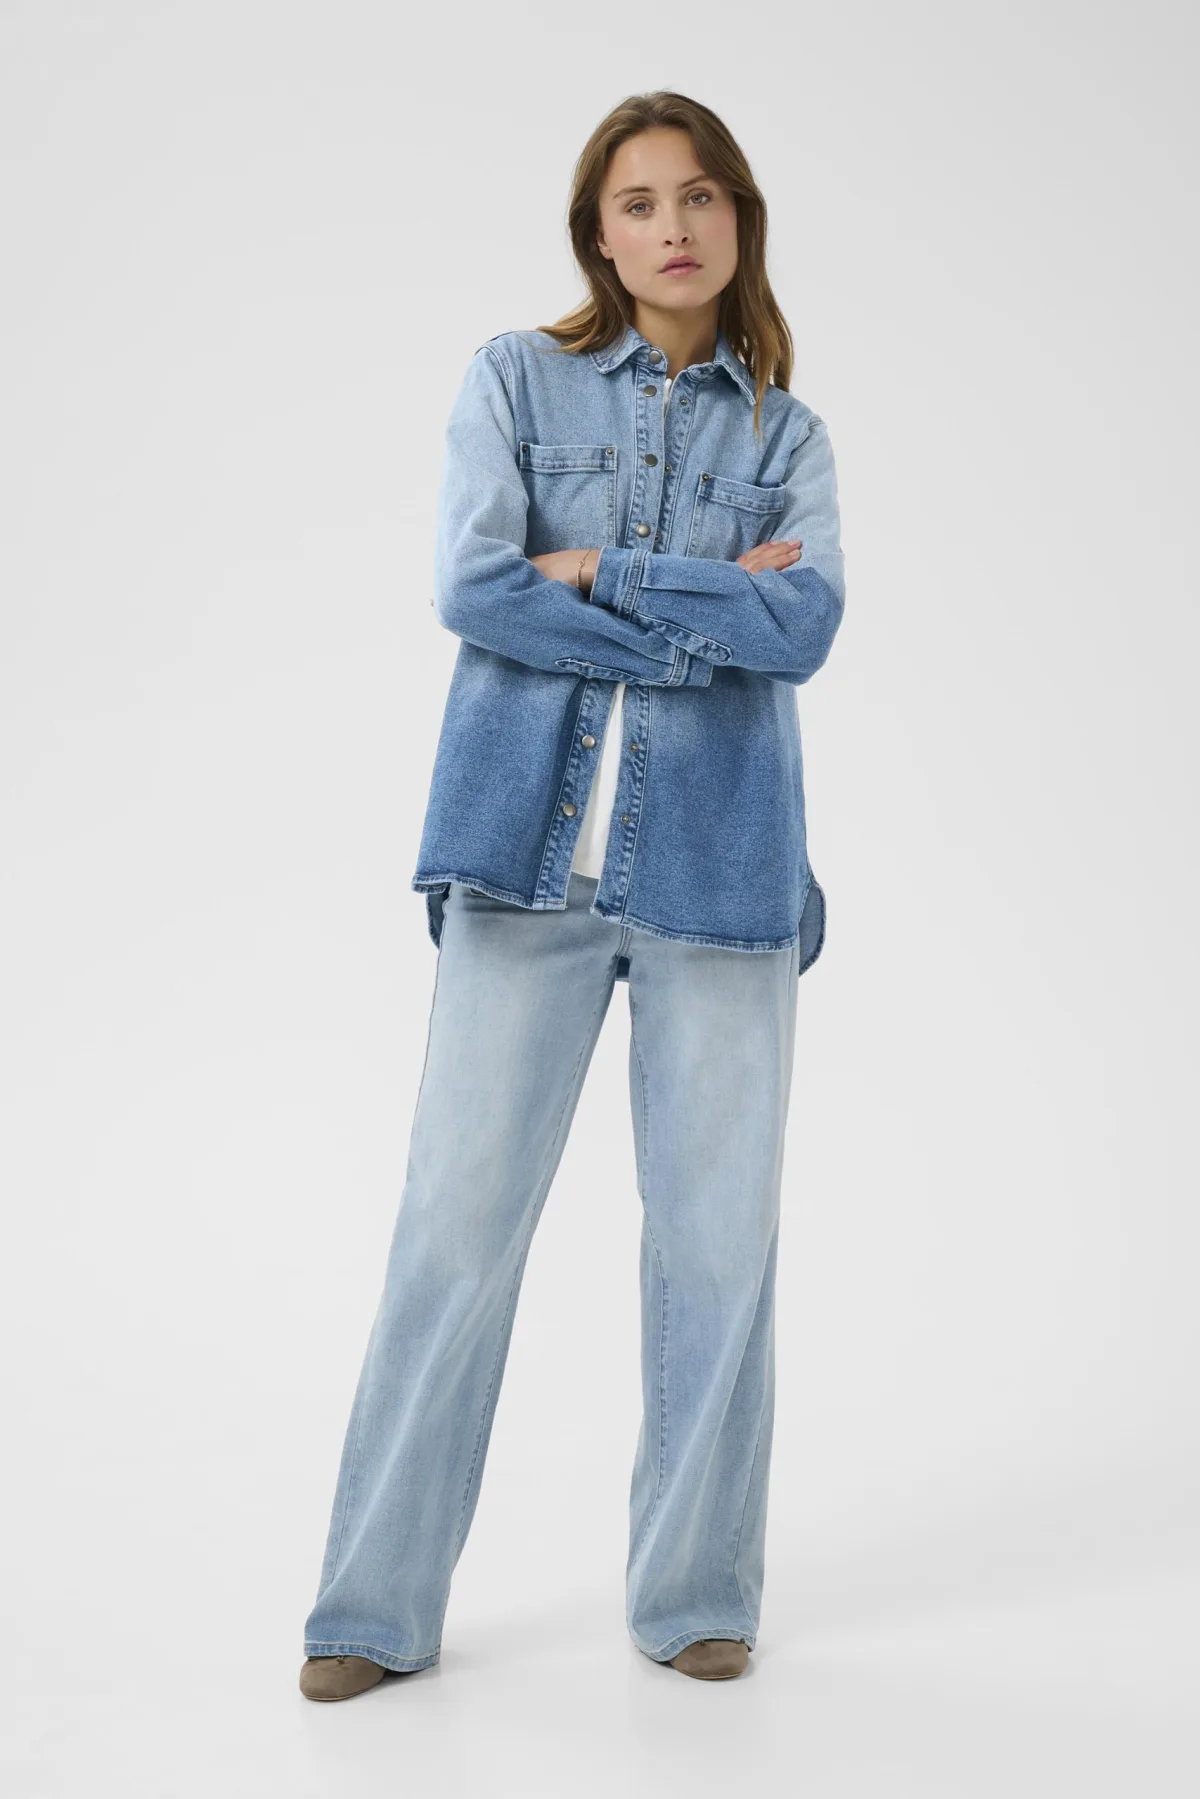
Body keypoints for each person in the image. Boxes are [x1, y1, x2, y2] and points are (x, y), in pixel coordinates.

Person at [299, 88, 845, 1700]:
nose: (674, 226)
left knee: (717, 1254)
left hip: (724, 883)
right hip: (518, 872)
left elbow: (805, 628)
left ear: (739, 219)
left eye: (701, 196)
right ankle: (372, 1606)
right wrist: (709, 606)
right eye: (639, 202)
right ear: (597, 237)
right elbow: (474, 586)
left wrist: (599, 569)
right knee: (452, 1236)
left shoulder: (789, 437)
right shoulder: (512, 379)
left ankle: (695, 1592)